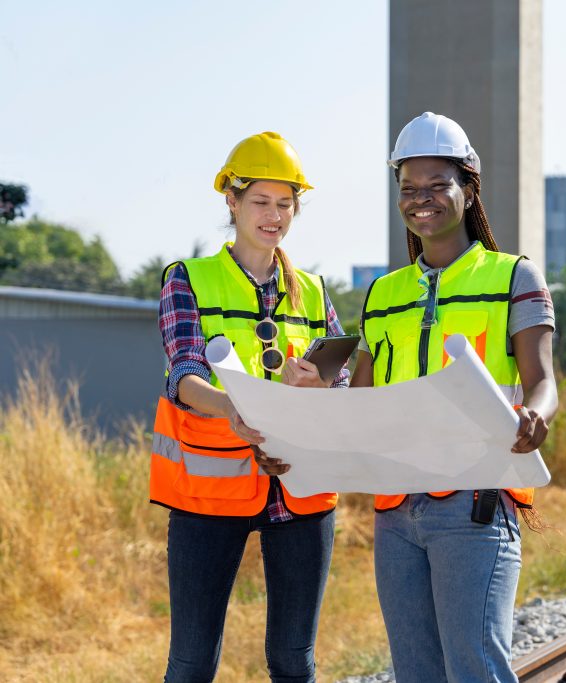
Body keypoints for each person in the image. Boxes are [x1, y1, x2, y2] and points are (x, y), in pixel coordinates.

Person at [350, 112, 559, 682]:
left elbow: (543, 381)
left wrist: (536, 415)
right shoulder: (382, 294)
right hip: (397, 511)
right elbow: (358, 403)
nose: (421, 199)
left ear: (468, 189)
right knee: (415, 673)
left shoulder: (513, 276)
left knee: (475, 669)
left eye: (436, 185)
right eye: (408, 188)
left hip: (476, 503)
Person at [150, 131, 345, 682]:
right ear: (231, 202)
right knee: (191, 663)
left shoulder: (312, 287)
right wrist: (229, 409)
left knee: (293, 661)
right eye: (260, 201)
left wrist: (324, 381)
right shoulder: (187, 280)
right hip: (210, 493)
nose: (274, 215)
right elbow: (184, 372)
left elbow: (341, 372)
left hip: (301, 492)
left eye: (285, 204)